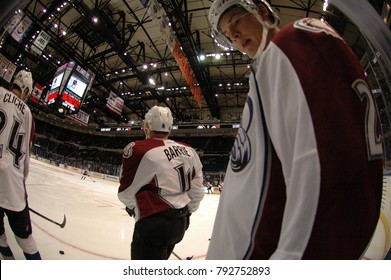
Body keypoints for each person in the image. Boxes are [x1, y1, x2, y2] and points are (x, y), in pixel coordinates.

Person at [206, 0, 384, 259]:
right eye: (225, 32)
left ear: (263, 12)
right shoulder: (273, 65)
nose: (232, 35)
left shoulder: (293, 41)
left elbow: (326, 174)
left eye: (234, 21)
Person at [118, 105, 204, 260]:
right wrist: (186, 213)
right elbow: (197, 192)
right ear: (170, 128)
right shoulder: (189, 150)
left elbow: (125, 193)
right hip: (180, 224)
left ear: (147, 126)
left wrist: (135, 208)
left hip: (153, 225)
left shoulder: (139, 150)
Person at [0, 70, 42, 260]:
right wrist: (20, 187)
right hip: (13, 187)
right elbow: (25, 156)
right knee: (26, 241)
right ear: (26, 90)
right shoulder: (28, 114)